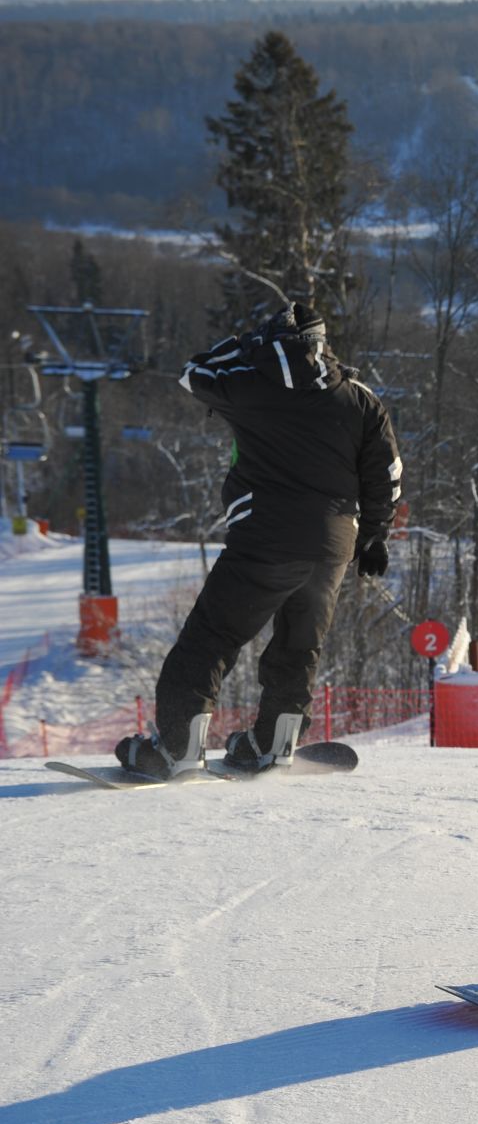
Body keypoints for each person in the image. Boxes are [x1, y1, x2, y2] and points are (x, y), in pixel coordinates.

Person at [115, 305, 402, 778]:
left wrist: (244, 345)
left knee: (211, 637)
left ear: (269, 343)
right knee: (298, 645)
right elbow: (387, 476)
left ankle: (176, 747)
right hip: (332, 547)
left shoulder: (249, 386)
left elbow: (193, 373)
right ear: (323, 343)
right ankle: (273, 745)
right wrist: (374, 535)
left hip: (265, 541)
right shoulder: (359, 399)